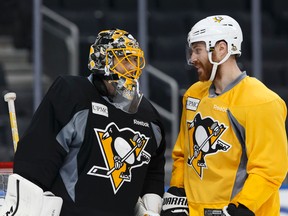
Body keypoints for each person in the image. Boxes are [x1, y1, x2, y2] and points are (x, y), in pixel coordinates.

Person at [0, 29, 166, 216]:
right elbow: (37, 158)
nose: (131, 67)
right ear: (103, 60)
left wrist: (150, 209)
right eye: (123, 59)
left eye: (134, 60)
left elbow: (153, 172)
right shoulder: (73, 95)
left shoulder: (149, 116)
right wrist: (25, 206)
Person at [161, 15, 288, 216]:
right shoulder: (194, 94)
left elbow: (269, 170)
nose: (192, 58)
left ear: (221, 49)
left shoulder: (262, 101)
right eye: (191, 51)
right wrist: (177, 191)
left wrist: (242, 208)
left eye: (198, 50)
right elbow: (183, 154)